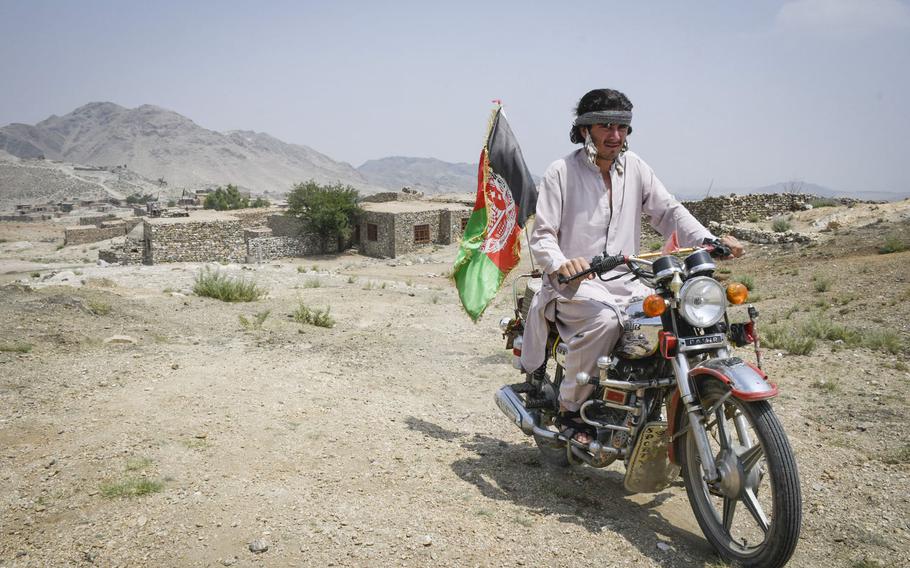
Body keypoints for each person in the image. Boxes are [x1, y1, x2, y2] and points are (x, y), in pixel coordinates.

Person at [519, 88, 743, 444]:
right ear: (584, 131)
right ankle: (572, 412)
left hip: (629, 280)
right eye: (605, 126)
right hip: (576, 284)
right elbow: (542, 234)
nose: (615, 135)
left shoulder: (636, 168)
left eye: (622, 127)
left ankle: (655, 405)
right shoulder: (560, 172)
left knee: (676, 319)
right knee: (606, 321)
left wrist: (707, 240)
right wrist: (561, 264)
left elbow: (669, 212)